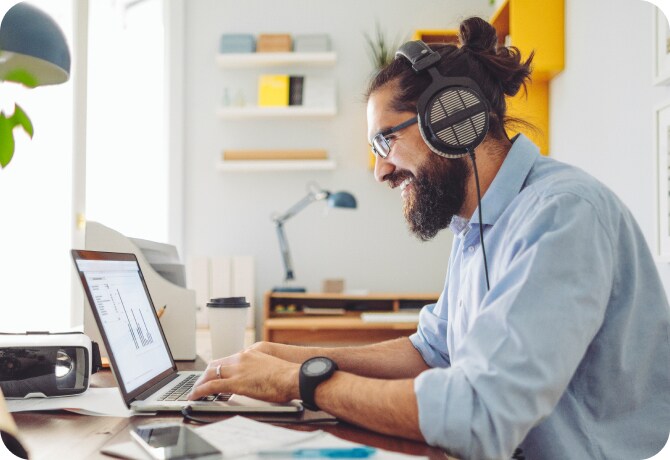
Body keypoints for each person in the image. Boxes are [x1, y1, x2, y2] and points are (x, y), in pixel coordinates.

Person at [190, 17, 670, 460]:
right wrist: (284, 356)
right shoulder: (476, 223)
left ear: (450, 120)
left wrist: (299, 380)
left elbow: (477, 415)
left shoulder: (561, 215)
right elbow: (432, 352)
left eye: (384, 141)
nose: (379, 171)